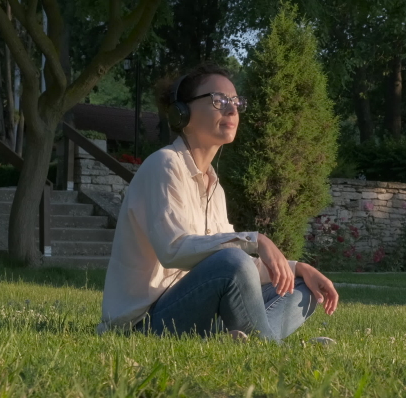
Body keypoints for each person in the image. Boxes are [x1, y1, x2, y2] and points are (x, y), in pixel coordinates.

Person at [97, 63, 339, 341]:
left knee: (303, 288)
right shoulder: (163, 165)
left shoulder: (214, 186)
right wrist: (256, 240)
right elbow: (174, 250)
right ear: (182, 113)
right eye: (219, 100)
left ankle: (239, 340)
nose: (232, 110)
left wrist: (299, 269)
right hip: (145, 323)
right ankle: (269, 348)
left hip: (194, 312)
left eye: (236, 102)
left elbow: (237, 267)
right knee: (234, 258)